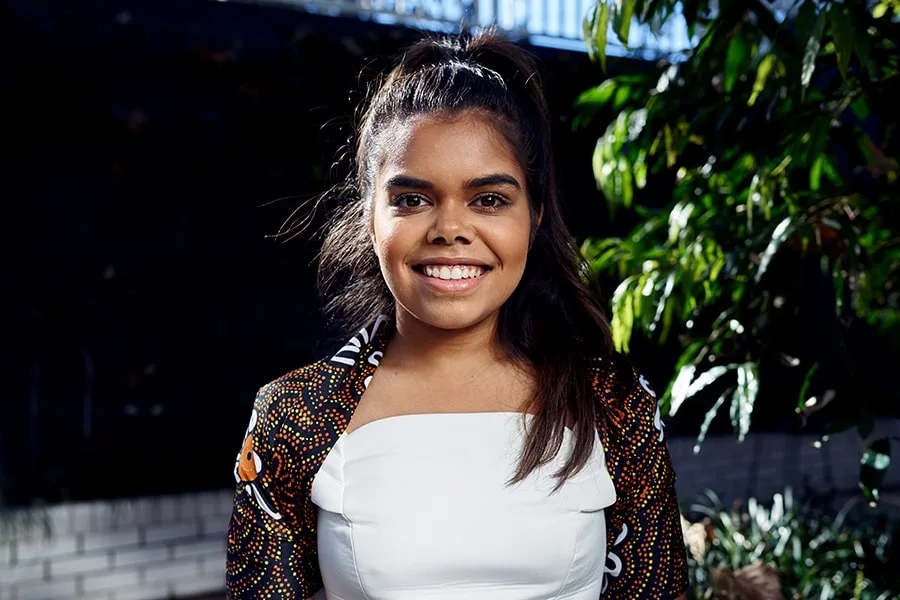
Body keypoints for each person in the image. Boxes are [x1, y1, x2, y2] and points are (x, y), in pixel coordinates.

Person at [225, 31, 689, 600]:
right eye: (412, 199)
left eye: (489, 199)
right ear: (370, 217)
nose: (450, 229)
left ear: (536, 216)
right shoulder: (297, 415)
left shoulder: (611, 402)